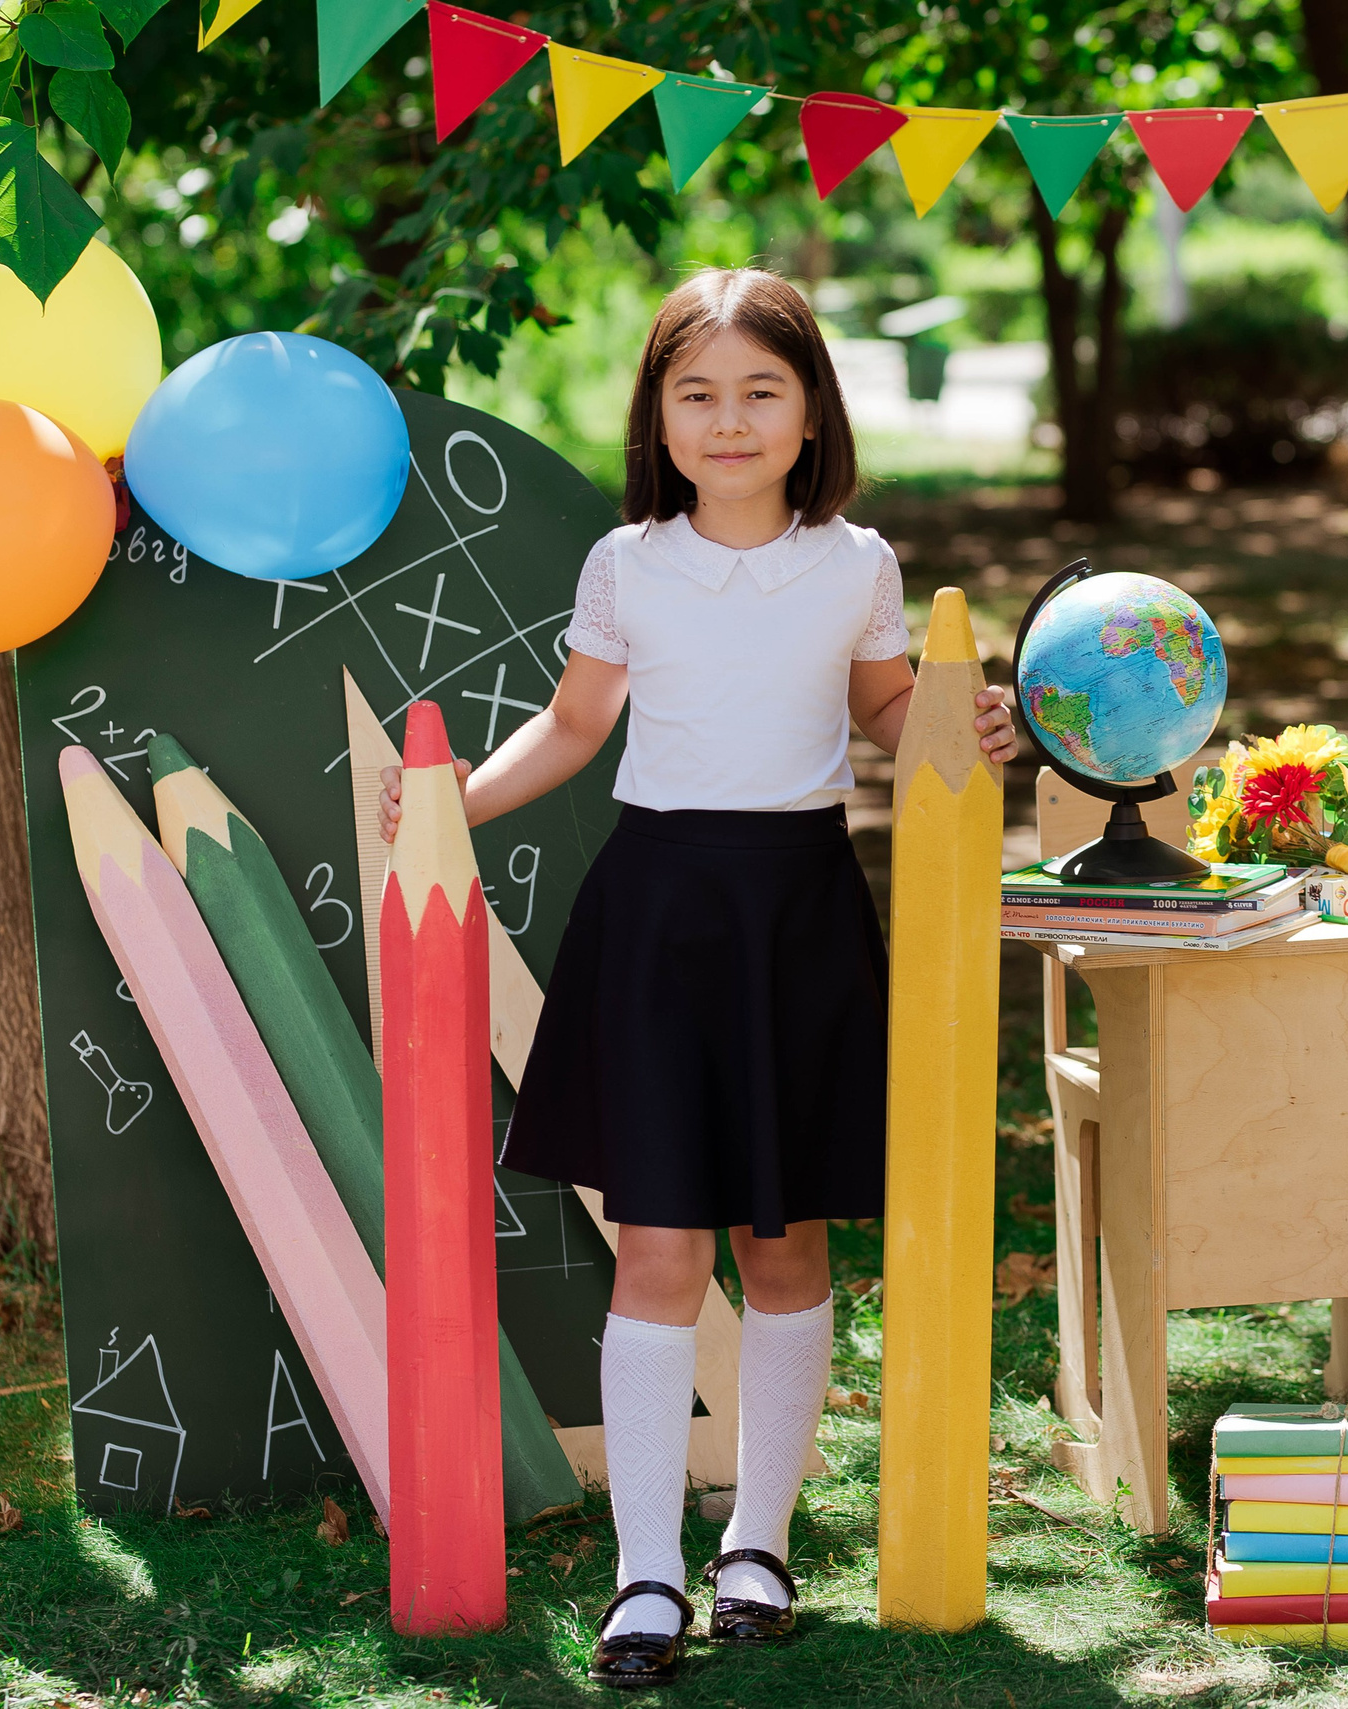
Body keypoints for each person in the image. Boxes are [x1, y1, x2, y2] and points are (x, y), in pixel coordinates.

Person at [381, 265, 1017, 1688]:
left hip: (798, 916)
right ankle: (646, 1572)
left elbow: (889, 709)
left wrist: (960, 712)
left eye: (759, 392)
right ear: (659, 418)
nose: (729, 421)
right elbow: (570, 727)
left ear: (809, 415)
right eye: (697, 394)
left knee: (784, 1245)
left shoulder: (858, 563)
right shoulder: (627, 565)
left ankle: (761, 1542)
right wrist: (446, 806)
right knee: (659, 1247)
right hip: (659, 919)